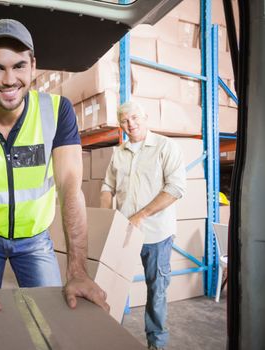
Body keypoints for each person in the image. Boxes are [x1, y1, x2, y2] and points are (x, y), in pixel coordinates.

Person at [0, 18, 109, 328]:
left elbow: (71, 189)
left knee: (54, 319)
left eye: (19, 66)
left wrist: (78, 271)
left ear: (33, 66)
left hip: (35, 239)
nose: (9, 79)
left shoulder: (57, 111)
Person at [100, 101, 186, 350]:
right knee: (112, 285)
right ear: (120, 124)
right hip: (123, 233)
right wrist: (108, 216)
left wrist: (141, 215)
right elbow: (107, 187)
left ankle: (156, 344)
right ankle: (110, 337)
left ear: (146, 117)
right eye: (125, 120)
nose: (131, 124)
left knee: (156, 290)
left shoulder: (165, 147)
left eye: (135, 118)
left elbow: (176, 188)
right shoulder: (119, 153)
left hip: (157, 233)